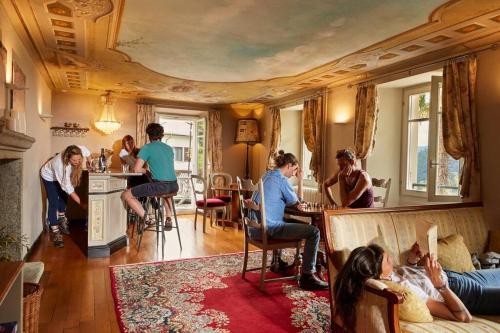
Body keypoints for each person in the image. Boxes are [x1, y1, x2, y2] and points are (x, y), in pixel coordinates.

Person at [334, 243, 500, 332]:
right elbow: (464, 317)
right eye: (387, 260)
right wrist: (440, 285)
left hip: (458, 276)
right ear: (381, 276)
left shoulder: (387, 276)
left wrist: (412, 261)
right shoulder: (406, 293)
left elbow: (403, 276)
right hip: (465, 292)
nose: (391, 258)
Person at [250, 150, 328, 290]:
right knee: (314, 231)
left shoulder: (267, 175)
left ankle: (277, 262)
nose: (294, 173)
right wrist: (301, 179)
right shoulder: (281, 179)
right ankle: (307, 276)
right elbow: (299, 202)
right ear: (288, 165)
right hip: (270, 228)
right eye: (295, 169)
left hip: (256, 228)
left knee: (294, 222)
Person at [121, 123, 178, 230]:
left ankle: (147, 219)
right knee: (166, 194)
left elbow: (136, 169)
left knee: (126, 195)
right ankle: (169, 218)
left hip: (160, 186)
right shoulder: (169, 148)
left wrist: (146, 171)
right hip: (174, 185)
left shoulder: (147, 148)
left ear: (148, 135)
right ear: (161, 135)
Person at [41, 145, 88, 248]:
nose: (77, 162)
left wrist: (90, 161)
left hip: (60, 176)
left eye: (79, 159)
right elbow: (69, 188)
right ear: (68, 158)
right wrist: (82, 204)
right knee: (54, 203)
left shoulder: (79, 150)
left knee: (63, 196)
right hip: (49, 177)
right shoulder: (60, 165)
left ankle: (61, 219)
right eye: (74, 160)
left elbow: (87, 152)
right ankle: (56, 232)